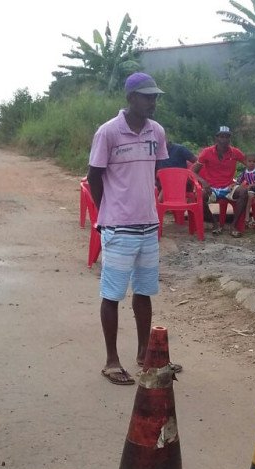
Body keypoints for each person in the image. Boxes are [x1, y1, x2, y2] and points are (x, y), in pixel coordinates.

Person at [88, 72, 172, 386]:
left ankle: (144, 355)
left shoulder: (156, 131)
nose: (153, 102)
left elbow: (155, 171)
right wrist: (107, 211)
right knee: (112, 295)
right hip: (119, 228)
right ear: (131, 97)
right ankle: (111, 361)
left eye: (155, 96)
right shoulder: (108, 132)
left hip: (148, 225)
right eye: (147, 96)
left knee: (144, 292)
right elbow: (94, 176)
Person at [193, 126, 249, 237]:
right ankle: (215, 224)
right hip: (212, 188)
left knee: (243, 192)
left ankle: (233, 225)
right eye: (221, 136)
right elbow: (193, 172)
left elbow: (249, 165)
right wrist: (203, 182)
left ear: (230, 139)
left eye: (227, 137)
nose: (224, 139)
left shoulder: (235, 152)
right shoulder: (207, 152)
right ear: (216, 138)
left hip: (229, 187)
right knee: (199, 196)